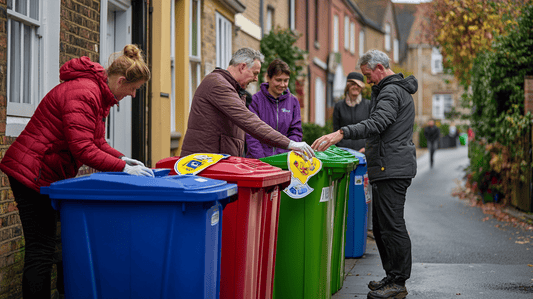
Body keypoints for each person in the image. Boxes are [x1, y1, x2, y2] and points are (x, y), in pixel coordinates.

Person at [0, 44, 154, 298]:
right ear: (122, 80)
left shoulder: (97, 94)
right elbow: (83, 149)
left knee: (59, 245)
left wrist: (124, 158)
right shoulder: (84, 93)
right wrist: (123, 168)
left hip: (47, 174)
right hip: (31, 172)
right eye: (134, 89)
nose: (133, 95)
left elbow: (98, 143)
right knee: (41, 250)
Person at [311, 49, 417, 299]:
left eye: (369, 75)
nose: (368, 81)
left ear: (379, 67)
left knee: (392, 225)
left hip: (392, 168)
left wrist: (341, 133)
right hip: (385, 166)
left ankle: (398, 283)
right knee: (381, 226)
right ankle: (391, 277)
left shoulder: (392, 91)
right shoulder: (389, 90)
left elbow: (378, 123)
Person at [181, 48, 314, 159]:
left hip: (216, 161)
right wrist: (290, 143)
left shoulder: (233, 89)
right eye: (255, 73)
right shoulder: (218, 85)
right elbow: (248, 121)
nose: (256, 79)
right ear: (242, 67)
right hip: (205, 163)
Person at [245, 59, 303, 159]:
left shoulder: (293, 102)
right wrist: (263, 160)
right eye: (278, 80)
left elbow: (296, 132)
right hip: (258, 161)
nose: (282, 84)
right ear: (268, 78)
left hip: (283, 160)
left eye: (286, 80)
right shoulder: (255, 100)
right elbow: (251, 134)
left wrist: (281, 156)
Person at [332, 71, 371, 153]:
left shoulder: (368, 105)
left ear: (361, 87)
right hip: (344, 151)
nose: (355, 87)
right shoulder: (339, 106)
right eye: (353, 84)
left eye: (358, 85)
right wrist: (341, 148)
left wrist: (366, 148)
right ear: (347, 86)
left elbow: (372, 129)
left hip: (363, 151)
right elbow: (336, 130)